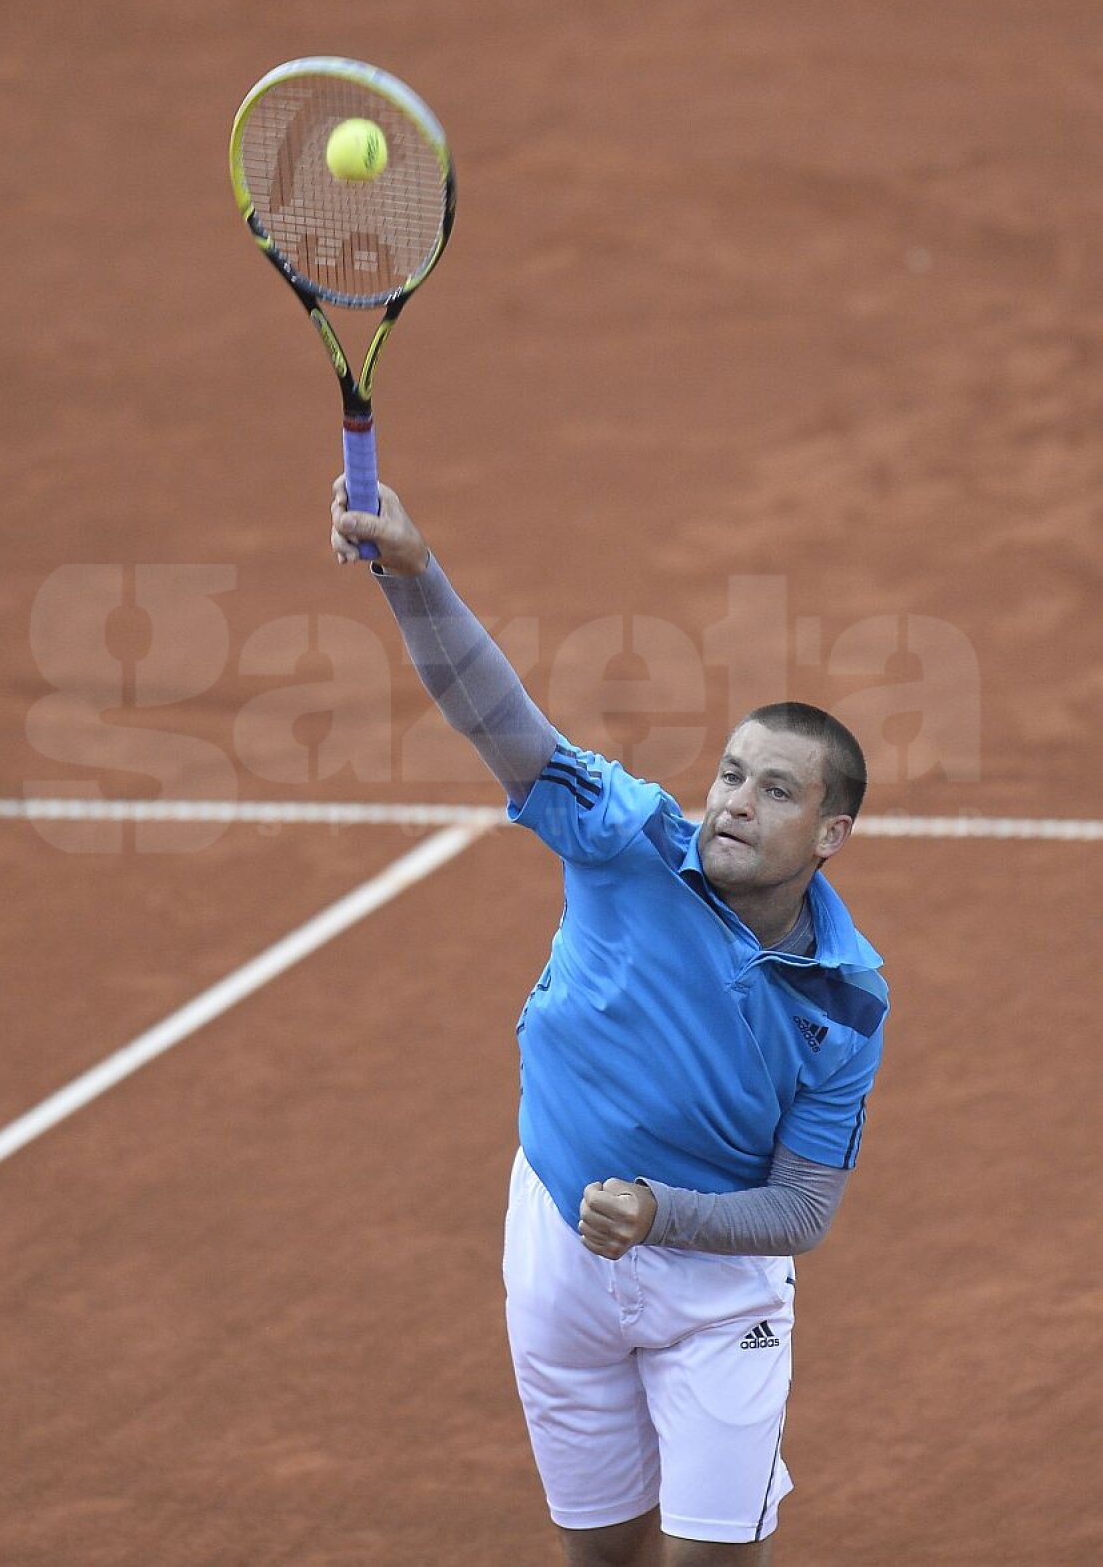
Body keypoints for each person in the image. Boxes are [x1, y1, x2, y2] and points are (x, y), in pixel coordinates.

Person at [331, 479, 890, 1567]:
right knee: (600, 1553)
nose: (733, 799)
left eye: (777, 791)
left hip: (717, 1296)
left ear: (831, 833)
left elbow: (804, 1208)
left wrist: (660, 1212)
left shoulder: (845, 996)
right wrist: (415, 578)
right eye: (731, 772)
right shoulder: (628, 840)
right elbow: (501, 720)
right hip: (556, 1251)